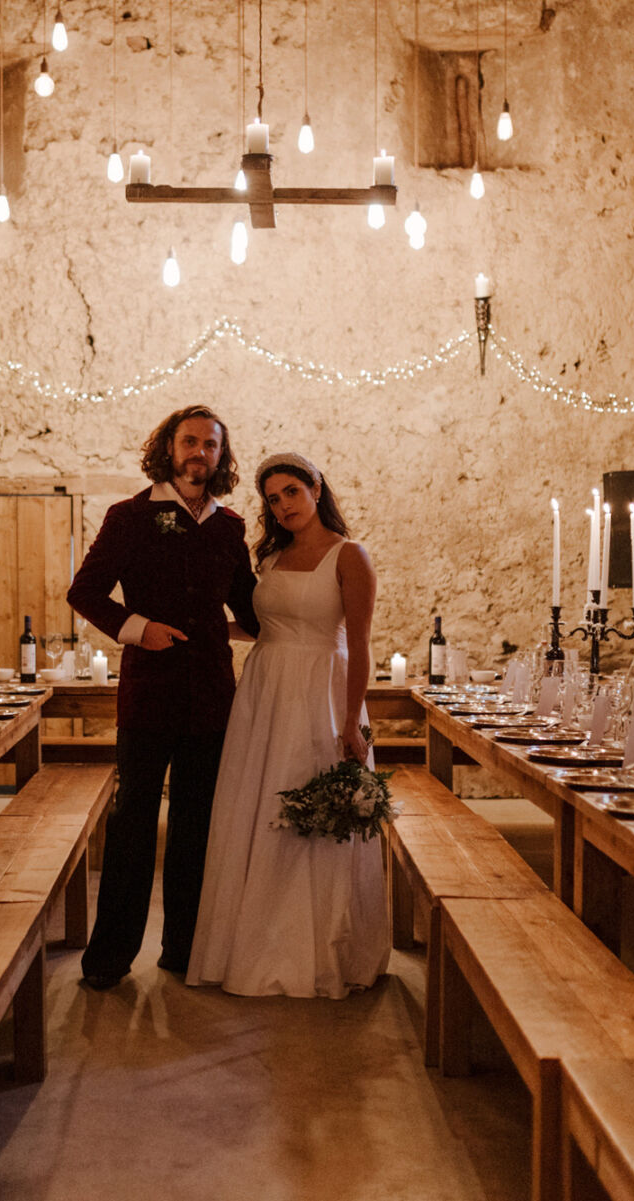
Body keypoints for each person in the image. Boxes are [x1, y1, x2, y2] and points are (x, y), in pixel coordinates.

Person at [67, 406, 261, 990]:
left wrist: (293, 600)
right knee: (131, 827)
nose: (199, 452)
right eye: (189, 441)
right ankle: (109, 960)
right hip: (147, 696)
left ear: (221, 457)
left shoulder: (230, 528)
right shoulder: (128, 516)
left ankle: (185, 950)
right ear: (168, 448)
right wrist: (137, 628)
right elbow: (85, 592)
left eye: (210, 445)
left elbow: (250, 607)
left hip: (210, 699)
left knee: (197, 829)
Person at [186, 453, 389, 998]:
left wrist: (351, 723)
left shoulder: (350, 556)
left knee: (310, 811)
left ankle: (315, 951)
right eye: (273, 499)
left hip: (321, 693)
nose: (283, 506)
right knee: (257, 811)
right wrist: (201, 626)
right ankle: (252, 944)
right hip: (264, 693)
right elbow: (268, 628)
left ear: (316, 488)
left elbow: (361, 645)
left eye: (291, 492)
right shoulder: (271, 557)